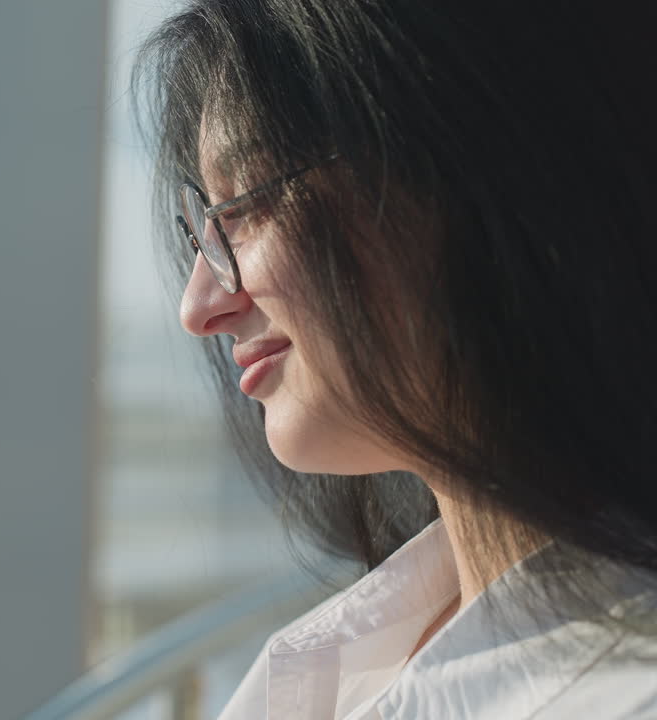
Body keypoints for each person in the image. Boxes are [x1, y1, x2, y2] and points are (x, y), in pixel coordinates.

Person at [133, 0, 657, 717]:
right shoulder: (334, 662)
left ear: (481, 176)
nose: (199, 309)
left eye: (246, 206)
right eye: (203, 228)